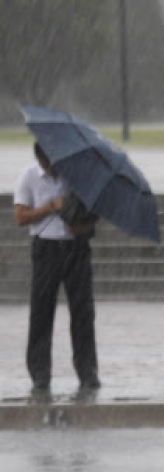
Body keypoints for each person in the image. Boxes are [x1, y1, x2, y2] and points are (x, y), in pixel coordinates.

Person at [13, 143, 100, 402]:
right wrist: (52, 206)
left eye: (55, 162)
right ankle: (40, 373)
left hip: (76, 248)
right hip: (46, 248)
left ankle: (87, 371)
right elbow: (20, 217)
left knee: (83, 312)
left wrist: (82, 224)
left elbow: (94, 210)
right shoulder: (28, 176)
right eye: (47, 162)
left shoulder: (77, 176)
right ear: (39, 159)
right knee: (41, 311)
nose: (52, 167)